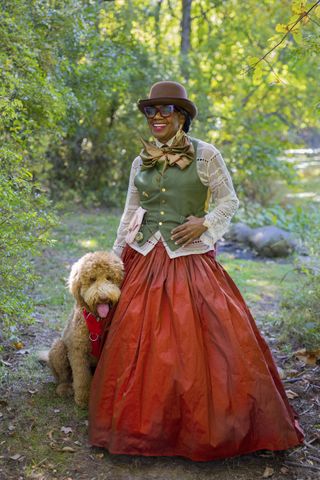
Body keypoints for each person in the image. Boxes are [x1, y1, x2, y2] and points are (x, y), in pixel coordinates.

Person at [88, 81, 304, 461]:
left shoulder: (207, 155)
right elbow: (129, 213)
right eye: (150, 111)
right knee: (134, 340)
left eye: (165, 110)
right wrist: (117, 256)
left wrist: (204, 224)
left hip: (189, 259)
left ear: (182, 116)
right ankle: (142, 429)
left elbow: (228, 200)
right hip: (144, 255)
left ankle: (206, 429)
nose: (156, 117)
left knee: (205, 344)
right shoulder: (141, 160)